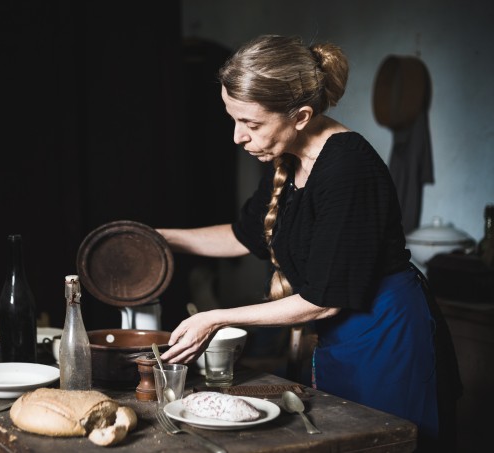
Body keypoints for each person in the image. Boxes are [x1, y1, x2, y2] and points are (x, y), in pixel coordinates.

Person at [158, 34, 461, 451]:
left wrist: (215, 318)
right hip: (339, 337)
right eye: (233, 119)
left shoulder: (347, 168)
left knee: (382, 440)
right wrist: (158, 239)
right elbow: (243, 236)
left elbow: (325, 297)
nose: (237, 137)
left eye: (251, 123)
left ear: (301, 115)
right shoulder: (288, 158)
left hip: (385, 335)